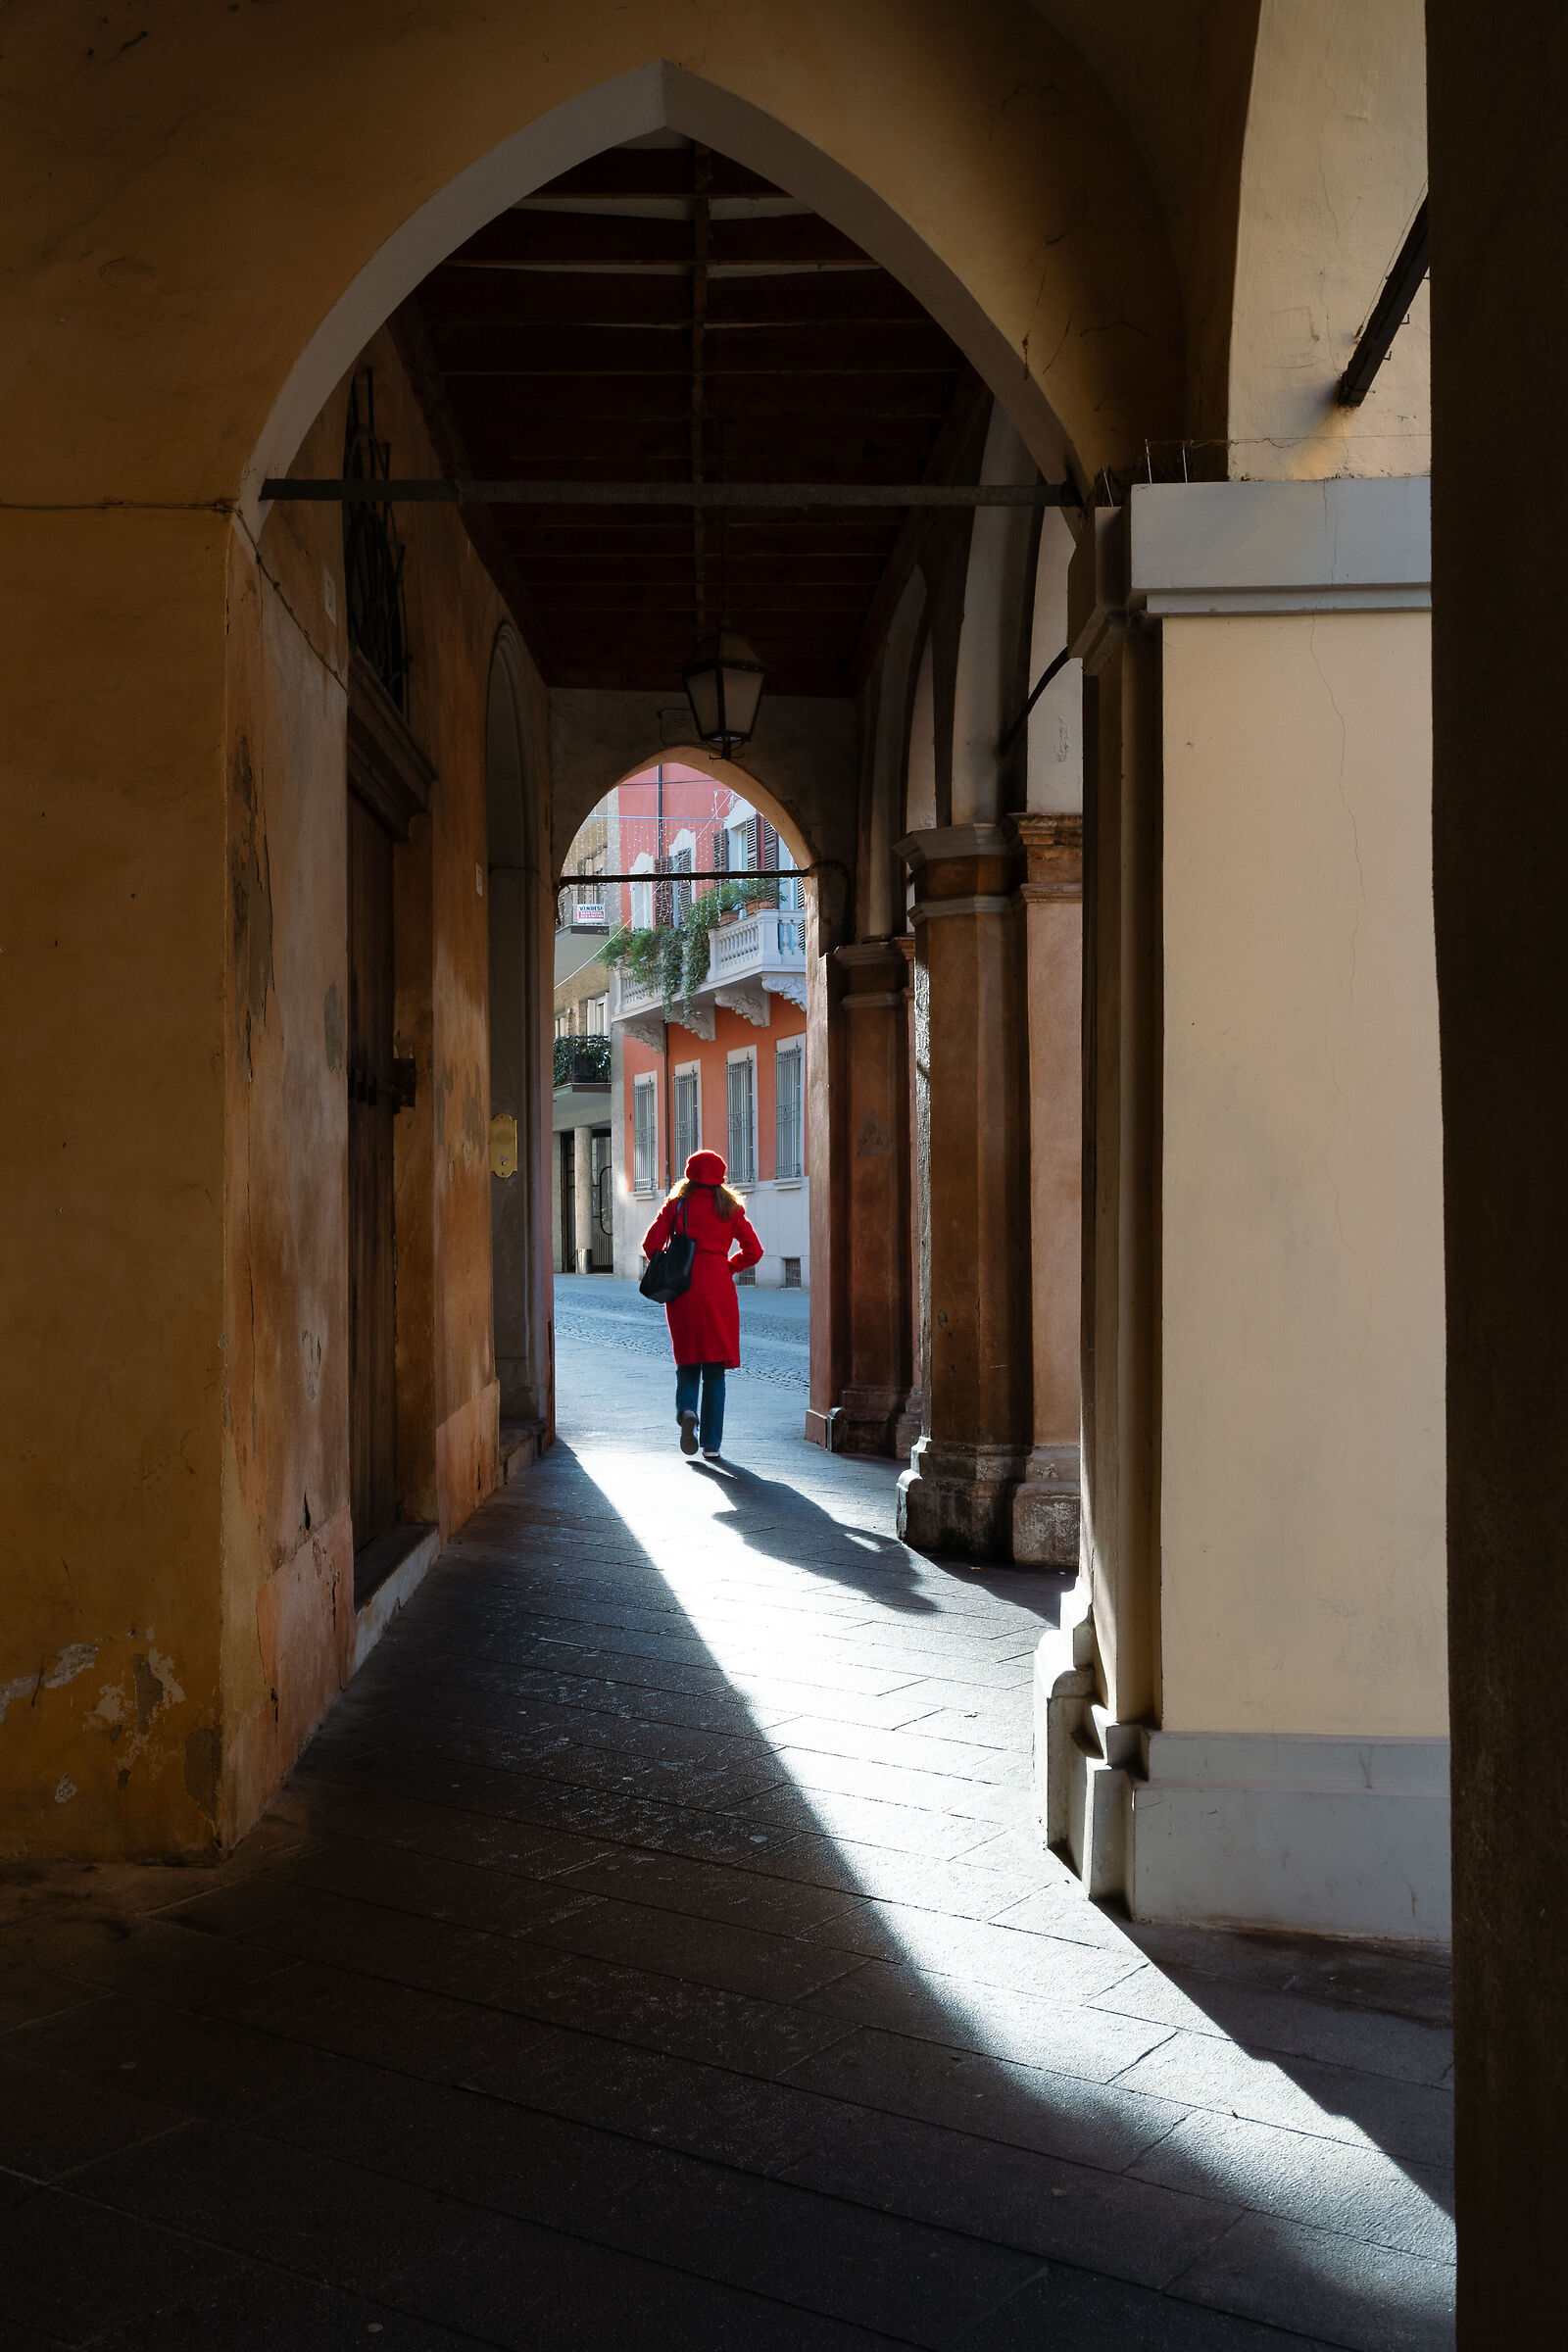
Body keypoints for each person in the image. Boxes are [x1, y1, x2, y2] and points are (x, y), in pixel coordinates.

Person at [641, 1149, 764, 1459]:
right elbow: (754, 1251)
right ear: (720, 1178)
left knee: (687, 1361)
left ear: (690, 1175)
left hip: (682, 1289)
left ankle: (686, 1412)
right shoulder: (731, 1209)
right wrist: (729, 1266)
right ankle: (711, 1445)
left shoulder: (676, 1206)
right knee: (715, 1371)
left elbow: (650, 1244)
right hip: (718, 1288)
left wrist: (671, 1263)